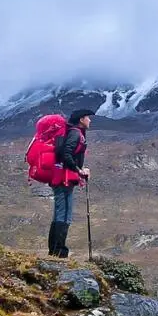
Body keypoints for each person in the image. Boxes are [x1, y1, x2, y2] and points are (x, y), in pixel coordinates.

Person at [48, 108, 94, 257]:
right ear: (81, 119)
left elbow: (69, 154)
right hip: (63, 178)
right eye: (88, 117)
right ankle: (58, 250)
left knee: (62, 212)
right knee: (64, 212)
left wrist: (80, 169)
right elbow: (66, 154)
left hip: (63, 177)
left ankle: (57, 250)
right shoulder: (75, 133)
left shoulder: (74, 133)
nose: (90, 120)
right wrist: (78, 170)